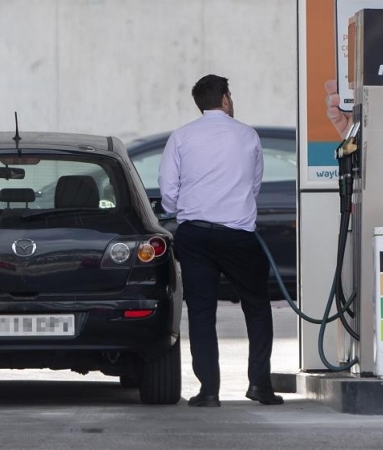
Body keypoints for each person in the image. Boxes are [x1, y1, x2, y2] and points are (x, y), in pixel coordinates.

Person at [158, 74, 284, 407]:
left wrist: (185, 209)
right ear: (225, 99)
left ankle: (209, 391)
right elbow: (254, 185)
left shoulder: (181, 137)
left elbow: (168, 192)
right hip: (238, 235)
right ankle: (259, 385)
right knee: (257, 308)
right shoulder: (247, 135)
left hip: (195, 235)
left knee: (201, 313)